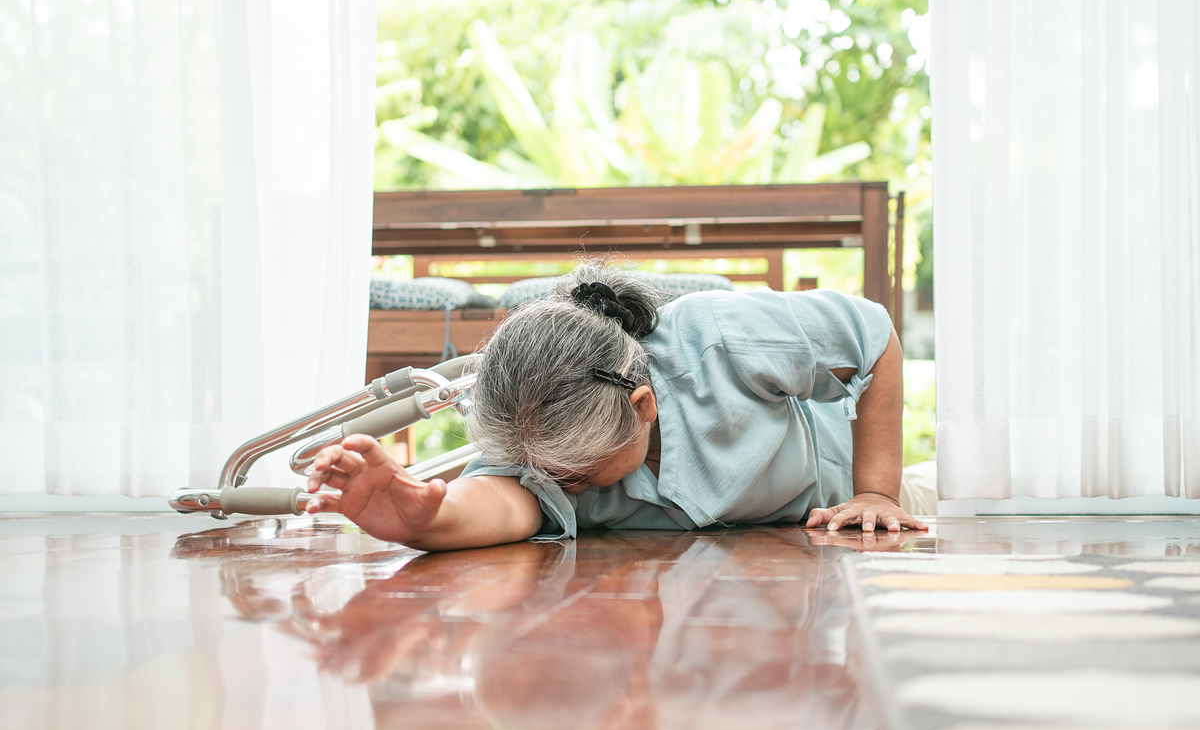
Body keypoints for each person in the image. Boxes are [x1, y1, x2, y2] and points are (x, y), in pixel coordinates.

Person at [305, 263, 929, 551]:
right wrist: (424, 521)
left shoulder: (718, 336)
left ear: (643, 406)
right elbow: (502, 499)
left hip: (846, 498)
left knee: (946, 495)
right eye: (549, 474)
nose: (560, 485)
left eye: (576, 475)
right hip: (764, 538)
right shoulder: (534, 430)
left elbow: (872, 335)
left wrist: (876, 491)